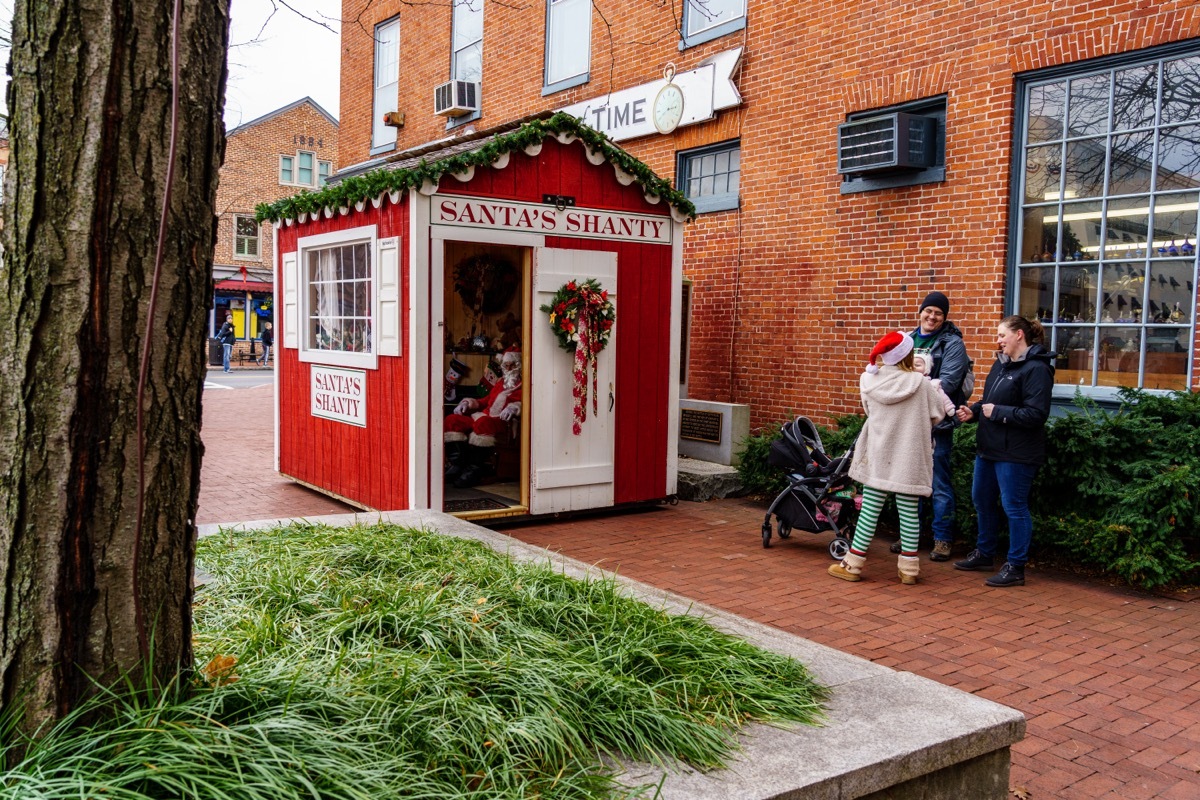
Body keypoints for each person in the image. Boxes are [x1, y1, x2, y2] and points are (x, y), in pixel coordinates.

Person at [828, 331, 948, 585]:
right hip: (909, 455)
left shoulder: (869, 380)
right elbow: (938, 414)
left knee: (869, 510)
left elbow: (868, 410)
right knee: (909, 512)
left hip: (879, 452)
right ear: (908, 355)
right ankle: (909, 569)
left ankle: (853, 564)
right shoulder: (921, 384)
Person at [953, 315, 1054, 588]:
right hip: (989, 448)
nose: (998, 341)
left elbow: (1036, 414)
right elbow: (990, 401)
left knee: (1014, 507)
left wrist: (997, 412)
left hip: (1017, 454)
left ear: (1019, 335)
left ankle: (1016, 566)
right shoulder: (1002, 364)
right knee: (982, 500)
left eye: (1001, 335)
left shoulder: (1037, 369)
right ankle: (984, 554)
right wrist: (973, 412)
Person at [890, 291, 971, 561]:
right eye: (929, 311)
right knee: (909, 481)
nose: (932, 316)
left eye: (938, 313)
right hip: (908, 423)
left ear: (944, 317)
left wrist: (909, 389)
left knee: (939, 484)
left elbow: (947, 383)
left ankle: (942, 539)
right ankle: (910, 536)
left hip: (937, 425)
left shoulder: (952, 344)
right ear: (921, 311)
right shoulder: (907, 340)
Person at [443, 347, 521, 488]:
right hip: (484, 416)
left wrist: (514, 407)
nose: (509, 368)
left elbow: (524, 403)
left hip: (503, 421)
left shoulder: (524, 386)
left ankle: (474, 469)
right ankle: (458, 465)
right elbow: (485, 401)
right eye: (506, 365)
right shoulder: (500, 383)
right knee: (452, 420)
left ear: (519, 365)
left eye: (512, 365)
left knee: (483, 423)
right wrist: (467, 403)